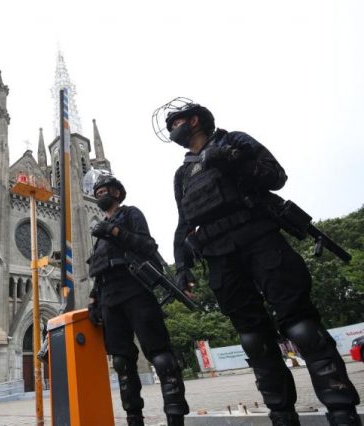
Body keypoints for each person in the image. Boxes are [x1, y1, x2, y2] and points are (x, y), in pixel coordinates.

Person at [158, 98, 361, 426]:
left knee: (301, 327)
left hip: (259, 238)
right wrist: (182, 268)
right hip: (219, 256)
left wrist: (230, 160)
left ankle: (342, 413)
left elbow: (275, 176)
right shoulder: (182, 174)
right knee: (253, 339)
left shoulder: (233, 140)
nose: (172, 130)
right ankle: (281, 416)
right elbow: (184, 223)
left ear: (194, 120)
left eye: (175, 123)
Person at [87, 174, 189, 426]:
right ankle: (134, 418)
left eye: (104, 191)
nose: (100, 195)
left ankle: (175, 417)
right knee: (121, 361)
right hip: (109, 296)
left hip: (135, 287)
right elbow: (99, 268)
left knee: (160, 354)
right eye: (97, 193)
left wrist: (115, 231)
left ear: (117, 193)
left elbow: (147, 246)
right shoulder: (99, 234)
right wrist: (93, 299)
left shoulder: (131, 214)